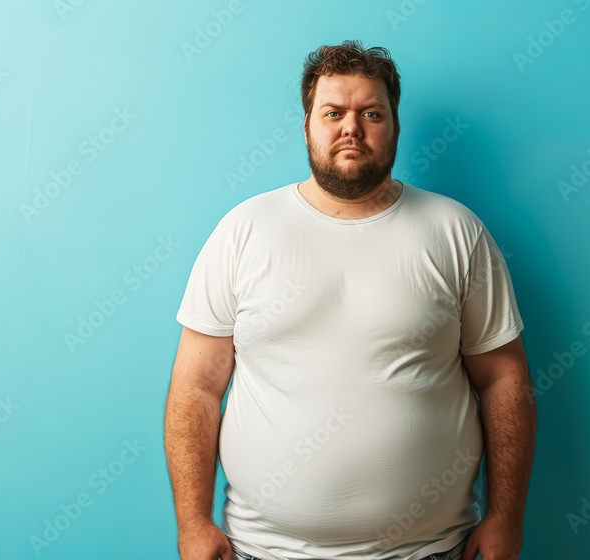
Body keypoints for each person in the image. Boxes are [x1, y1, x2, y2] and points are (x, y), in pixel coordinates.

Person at [165, 40, 536, 560]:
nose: (351, 128)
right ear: (308, 125)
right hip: (262, 550)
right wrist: (191, 522)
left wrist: (505, 519)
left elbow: (504, 379)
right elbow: (196, 387)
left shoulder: (456, 232)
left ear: (395, 127)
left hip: (430, 550)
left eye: (372, 113)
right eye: (333, 112)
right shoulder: (243, 231)